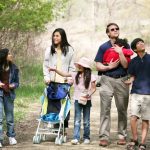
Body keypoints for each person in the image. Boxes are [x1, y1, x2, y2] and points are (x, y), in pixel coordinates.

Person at [94, 23, 130, 147]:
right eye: (112, 29)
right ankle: (104, 137)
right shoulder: (103, 47)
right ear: (108, 33)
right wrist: (109, 66)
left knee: (122, 110)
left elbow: (126, 65)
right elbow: (97, 65)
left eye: (117, 29)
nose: (115, 30)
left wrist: (120, 52)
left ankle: (122, 135)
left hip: (122, 80)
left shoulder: (125, 45)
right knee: (105, 110)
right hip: (106, 80)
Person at [49, 57, 96, 145]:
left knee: (86, 120)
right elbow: (64, 74)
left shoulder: (91, 76)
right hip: (77, 100)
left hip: (87, 100)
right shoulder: (75, 74)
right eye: (79, 64)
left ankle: (86, 137)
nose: (79, 66)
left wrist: (88, 94)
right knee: (77, 120)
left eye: (81, 65)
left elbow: (93, 88)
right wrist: (55, 70)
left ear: (85, 67)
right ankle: (76, 138)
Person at [43, 28, 75, 131]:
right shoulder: (49, 49)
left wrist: (70, 78)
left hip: (64, 82)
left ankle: (62, 128)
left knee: (65, 105)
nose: (55, 38)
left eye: (57, 36)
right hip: (52, 81)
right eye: (54, 35)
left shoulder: (70, 50)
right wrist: (46, 77)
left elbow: (72, 67)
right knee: (52, 105)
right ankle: (54, 126)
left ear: (62, 37)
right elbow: (45, 65)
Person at [126, 38, 150, 150]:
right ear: (135, 49)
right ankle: (135, 139)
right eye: (139, 43)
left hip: (148, 94)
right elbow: (132, 76)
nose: (142, 43)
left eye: (142, 42)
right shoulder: (133, 61)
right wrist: (129, 81)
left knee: (145, 119)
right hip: (135, 93)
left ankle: (143, 143)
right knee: (133, 117)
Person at [0, 48, 19, 148]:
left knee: (10, 117)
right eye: (9, 54)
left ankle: (11, 136)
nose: (11, 55)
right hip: (0, 93)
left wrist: (13, 85)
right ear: (5, 56)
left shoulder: (15, 68)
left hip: (9, 94)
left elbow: (17, 83)